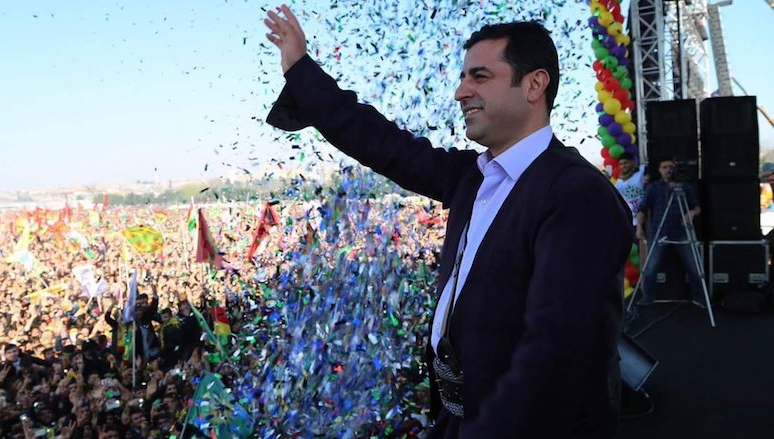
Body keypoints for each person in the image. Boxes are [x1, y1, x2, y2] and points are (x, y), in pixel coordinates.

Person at [263, 5, 633, 438]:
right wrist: (301, 70)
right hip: (460, 418)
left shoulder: (577, 197)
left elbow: (555, 356)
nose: (460, 91)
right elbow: (385, 144)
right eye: (462, 77)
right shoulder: (473, 177)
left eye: (479, 77)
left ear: (534, 84)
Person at [636, 158, 704, 307]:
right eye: (664, 167)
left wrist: (691, 214)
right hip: (659, 232)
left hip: (682, 232)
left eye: (671, 167)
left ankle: (699, 297)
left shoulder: (685, 188)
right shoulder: (653, 187)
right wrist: (639, 227)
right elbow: (642, 208)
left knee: (694, 266)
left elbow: (696, 207)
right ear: (659, 170)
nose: (668, 170)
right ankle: (648, 297)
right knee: (650, 267)